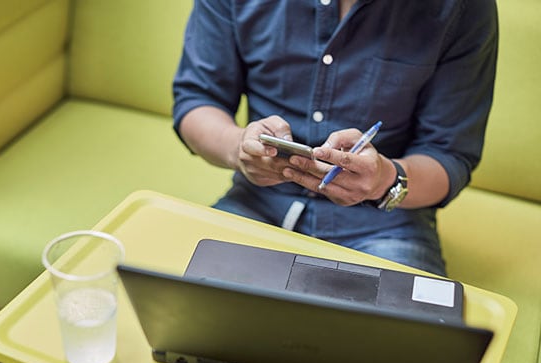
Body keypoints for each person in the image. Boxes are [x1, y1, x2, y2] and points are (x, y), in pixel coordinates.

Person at [172, 0, 498, 276]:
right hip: (256, 203)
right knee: (185, 317)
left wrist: (384, 179)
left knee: (394, 346)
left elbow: (450, 154)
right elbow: (198, 99)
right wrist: (238, 147)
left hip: (386, 225)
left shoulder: (462, 8)